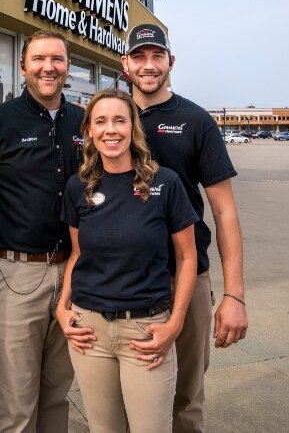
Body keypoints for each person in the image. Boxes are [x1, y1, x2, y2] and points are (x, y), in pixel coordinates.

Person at [121, 23, 248, 433]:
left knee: (186, 397)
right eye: (139, 57)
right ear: (125, 65)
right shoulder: (109, 118)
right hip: (122, 278)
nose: (148, 65)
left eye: (157, 56)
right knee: (127, 396)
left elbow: (225, 212)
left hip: (186, 275)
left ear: (170, 62)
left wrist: (234, 295)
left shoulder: (196, 121)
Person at [57, 88, 198, 433]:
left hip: (146, 330)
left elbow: (187, 257)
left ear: (133, 128)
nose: (111, 130)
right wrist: (62, 307)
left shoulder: (165, 183)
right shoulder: (79, 187)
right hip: (90, 331)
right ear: (89, 130)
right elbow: (78, 253)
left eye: (120, 120)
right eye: (101, 121)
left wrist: (175, 323)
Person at [0, 29, 84, 433]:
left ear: (67, 67)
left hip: (75, 274)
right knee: (16, 407)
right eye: (38, 59)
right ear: (23, 67)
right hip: (14, 275)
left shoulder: (84, 121)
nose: (48, 67)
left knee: (57, 395)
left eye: (57, 59)